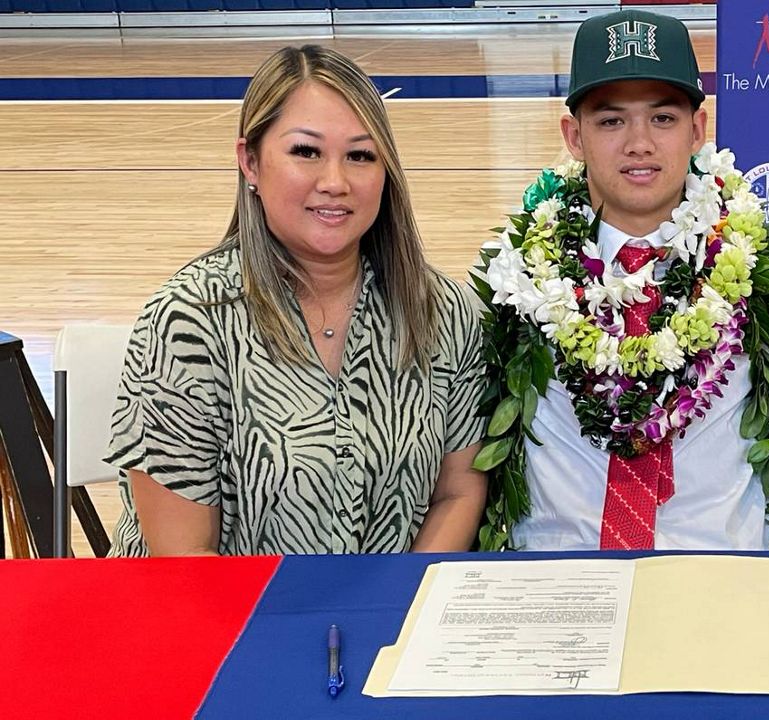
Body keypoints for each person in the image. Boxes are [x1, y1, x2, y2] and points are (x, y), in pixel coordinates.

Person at [473, 9, 769, 551]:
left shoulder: (755, 261)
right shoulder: (514, 269)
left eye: (663, 118)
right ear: (574, 135)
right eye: (611, 121)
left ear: (697, 131)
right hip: (556, 576)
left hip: (720, 572)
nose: (639, 143)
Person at [105, 45, 487, 556]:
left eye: (361, 155)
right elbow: (185, 561)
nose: (335, 182)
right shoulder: (188, 321)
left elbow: (457, 492)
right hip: (222, 621)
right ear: (251, 163)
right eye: (306, 152)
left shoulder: (445, 311)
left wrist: (397, 612)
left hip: (387, 616)